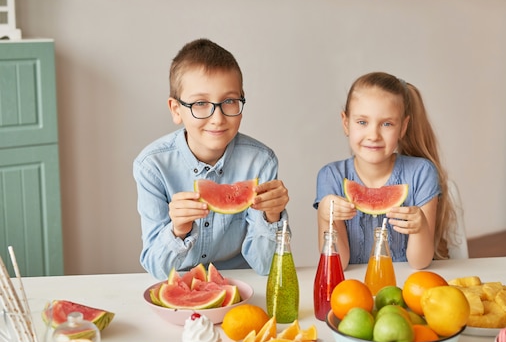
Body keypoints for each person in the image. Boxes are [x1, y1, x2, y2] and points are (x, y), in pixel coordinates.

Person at [133, 38, 290, 280]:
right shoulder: (152, 166)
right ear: (176, 110)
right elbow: (157, 269)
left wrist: (272, 216)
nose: (217, 118)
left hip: (240, 285)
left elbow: (266, 266)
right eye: (200, 104)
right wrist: (178, 231)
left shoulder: (261, 162)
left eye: (229, 101)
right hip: (182, 286)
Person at [314, 72, 456, 270]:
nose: (373, 135)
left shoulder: (421, 173)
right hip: (352, 290)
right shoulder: (331, 176)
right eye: (362, 122)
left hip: (404, 288)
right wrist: (325, 215)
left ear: (403, 127)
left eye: (387, 124)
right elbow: (339, 264)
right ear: (346, 123)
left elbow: (420, 262)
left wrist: (420, 227)